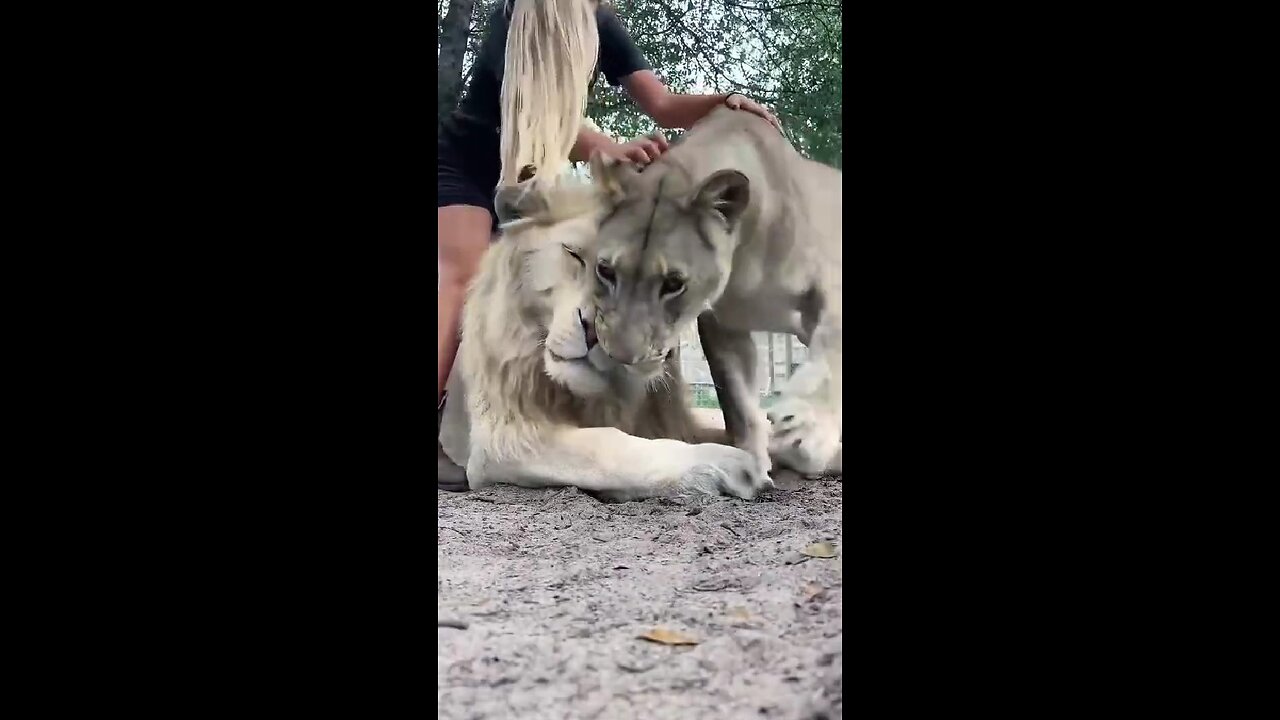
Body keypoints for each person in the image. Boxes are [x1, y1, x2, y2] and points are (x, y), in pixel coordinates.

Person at [437, 0, 781, 439]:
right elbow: (531, 116)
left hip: (528, 179)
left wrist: (724, 100)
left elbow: (662, 103)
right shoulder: (516, 16)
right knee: (462, 275)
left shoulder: (601, 23)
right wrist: (612, 150)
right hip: (466, 164)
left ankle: (511, 420)